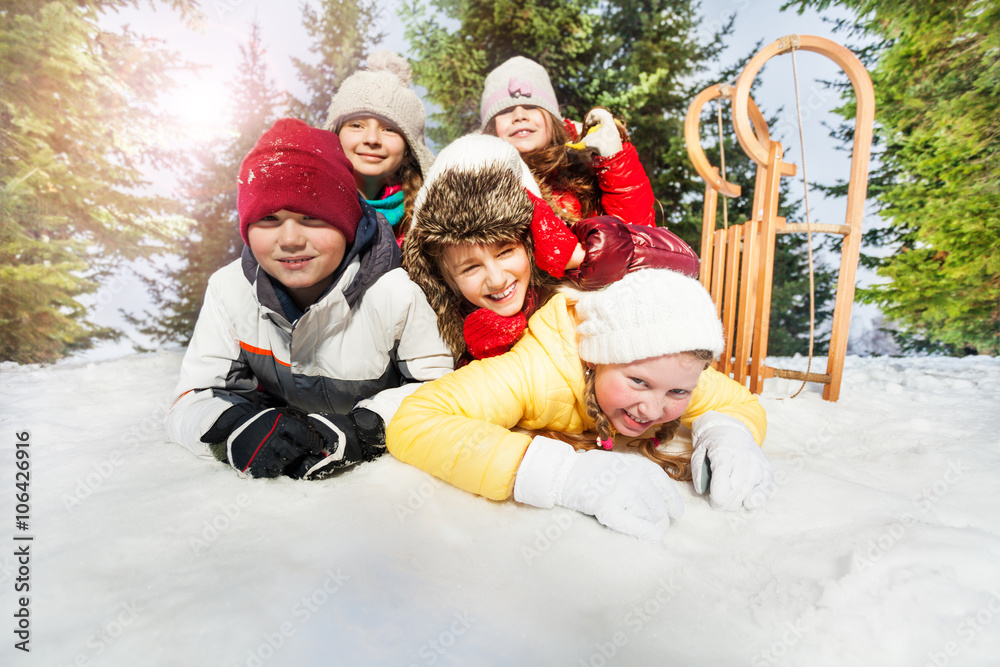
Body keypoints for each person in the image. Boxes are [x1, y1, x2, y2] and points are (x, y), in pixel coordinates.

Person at [387, 269, 773, 542]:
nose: (654, 410)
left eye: (678, 393)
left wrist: (728, 433)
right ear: (593, 358)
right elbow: (417, 420)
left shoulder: (673, 370)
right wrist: (562, 474)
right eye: (638, 382)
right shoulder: (536, 370)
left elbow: (737, 402)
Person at [164, 118, 453, 480]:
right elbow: (193, 397)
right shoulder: (230, 291)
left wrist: (364, 428)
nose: (290, 239)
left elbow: (439, 389)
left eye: (311, 217)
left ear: (347, 223)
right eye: (269, 218)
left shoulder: (394, 294)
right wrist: (234, 430)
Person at [404, 134, 699, 364]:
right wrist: (481, 360)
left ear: (531, 241)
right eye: (470, 267)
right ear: (445, 279)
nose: (496, 279)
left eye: (505, 251)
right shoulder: (444, 323)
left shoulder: (570, 273)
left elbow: (685, 262)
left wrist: (580, 257)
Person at [480, 55, 655, 227]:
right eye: (505, 111)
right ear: (491, 128)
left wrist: (614, 162)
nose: (519, 116)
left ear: (553, 119)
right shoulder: (477, 186)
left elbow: (640, 237)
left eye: (531, 107)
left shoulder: (587, 171)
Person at [323, 50, 435, 246]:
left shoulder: (431, 217)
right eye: (356, 125)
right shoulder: (307, 208)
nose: (372, 139)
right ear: (334, 134)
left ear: (409, 149)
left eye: (389, 129)